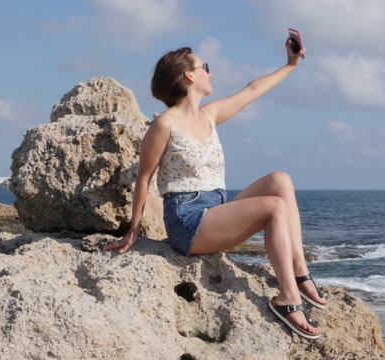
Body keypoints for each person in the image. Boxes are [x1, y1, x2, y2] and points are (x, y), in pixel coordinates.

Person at [105, 37, 326, 340]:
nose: (211, 73)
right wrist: (134, 229)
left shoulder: (209, 114)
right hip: (187, 221)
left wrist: (290, 65)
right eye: (204, 67)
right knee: (274, 208)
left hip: (216, 209)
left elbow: (253, 89)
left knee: (280, 181)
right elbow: (144, 177)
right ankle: (287, 298)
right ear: (189, 76)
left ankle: (300, 272)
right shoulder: (164, 125)